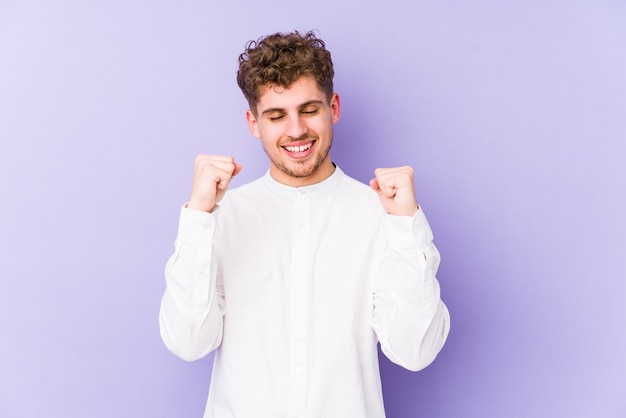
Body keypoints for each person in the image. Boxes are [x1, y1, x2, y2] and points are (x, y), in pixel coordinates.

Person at [159, 30, 450, 418]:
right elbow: (189, 342)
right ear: (253, 122)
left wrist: (407, 227)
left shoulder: (383, 216)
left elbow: (416, 350)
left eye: (309, 110)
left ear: (334, 107)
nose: (295, 130)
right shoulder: (220, 218)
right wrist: (197, 217)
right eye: (276, 116)